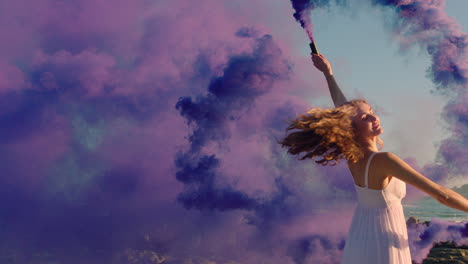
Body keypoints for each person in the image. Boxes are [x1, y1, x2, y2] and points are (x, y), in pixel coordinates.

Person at [278, 53, 468, 264]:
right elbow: (442, 195)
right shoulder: (385, 160)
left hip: (362, 237)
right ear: (353, 129)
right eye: (365, 118)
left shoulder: (354, 156)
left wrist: (328, 74)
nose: (374, 118)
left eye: (371, 112)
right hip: (383, 241)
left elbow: (343, 110)